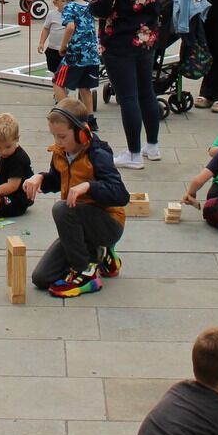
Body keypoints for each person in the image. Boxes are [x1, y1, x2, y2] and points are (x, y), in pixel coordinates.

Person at [22, 98, 129, 297]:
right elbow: (56, 180)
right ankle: (101, 254)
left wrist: (89, 186)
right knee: (41, 278)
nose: (58, 142)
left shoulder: (98, 153)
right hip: (77, 225)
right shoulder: (60, 152)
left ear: (82, 132)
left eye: (62, 136)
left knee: (61, 209)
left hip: (108, 223)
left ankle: (86, 272)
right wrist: (39, 178)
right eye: (54, 136)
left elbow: (121, 195)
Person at [89, 0, 167, 163]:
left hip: (118, 37)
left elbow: (102, 7)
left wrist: (90, 4)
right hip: (147, 34)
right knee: (146, 91)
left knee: (128, 97)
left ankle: (133, 154)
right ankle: (152, 146)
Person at [52, 0, 104, 103]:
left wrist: (63, 46)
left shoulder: (69, 7)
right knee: (84, 88)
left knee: (58, 82)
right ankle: (89, 115)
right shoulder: (88, 6)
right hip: (91, 54)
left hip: (76, 54)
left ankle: (67, 111)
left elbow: (70, 27)